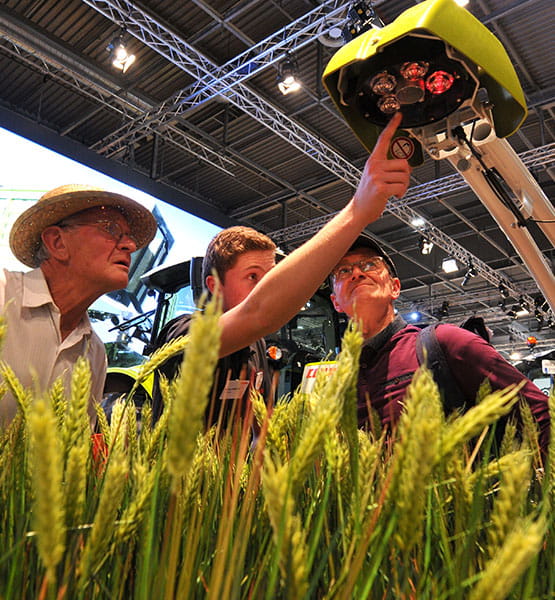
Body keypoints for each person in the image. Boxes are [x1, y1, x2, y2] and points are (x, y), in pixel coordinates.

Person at [151, 111, 412, 425]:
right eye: (252, 277)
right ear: (215, 285)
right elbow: (258, 312)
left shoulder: (258, 347)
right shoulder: (184, 334)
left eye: (270, 275)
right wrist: (358, 211)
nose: (265, 286)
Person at [328, 235, 550, 450]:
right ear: (335, 302)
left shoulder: (444, 343)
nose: (356, 273)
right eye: (343, 270)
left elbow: (541, 417)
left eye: (369, 264)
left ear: (395, 287)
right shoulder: (337, 379)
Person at [0, 184, 157, 425]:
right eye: (110, 228)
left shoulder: (95, 352)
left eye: (130, 237)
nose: (131, 246)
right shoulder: (3, 294)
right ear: (57, 242)